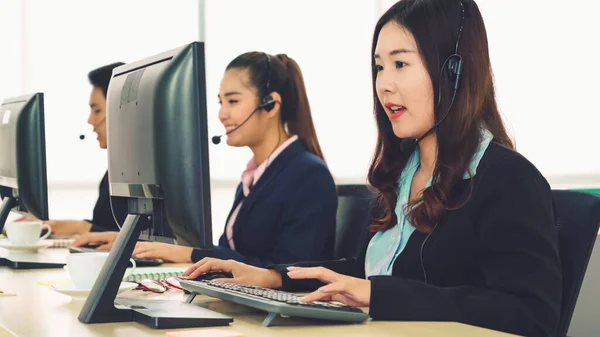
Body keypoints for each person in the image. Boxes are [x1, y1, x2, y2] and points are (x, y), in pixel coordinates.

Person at [181, 1, 562, 336]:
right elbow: (367, 274)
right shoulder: (402, 174)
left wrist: (378, 295)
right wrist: (276, 278)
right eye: (379, 67)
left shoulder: (509, 180)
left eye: (400, 64)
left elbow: (530, 317)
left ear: (454, 71)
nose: (384, 85)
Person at [73, 52, 338, 266]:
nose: (222, 114)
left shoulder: (307, 174)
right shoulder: (257, 175)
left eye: (233, 102)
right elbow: (232, 252)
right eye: (220, 102)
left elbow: (289, 271)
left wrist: (192, 254)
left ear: (270, 105)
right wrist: (137, 243)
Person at [18, 62, 132, 239]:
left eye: (97, 110)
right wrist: (61, 225)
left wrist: (83, 228)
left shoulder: (149, 173)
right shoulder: (116, 167)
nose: (90, 120)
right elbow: (108, 227)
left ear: (121, 111)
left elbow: (148, 239)